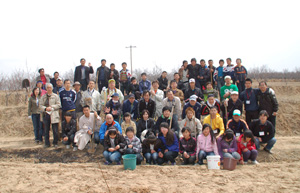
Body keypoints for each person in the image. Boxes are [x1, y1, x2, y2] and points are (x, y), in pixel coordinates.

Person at [39, 83, 61, 148]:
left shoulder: (56, 96)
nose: (49, 89)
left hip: (54, 114)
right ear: (46, 88)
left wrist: (52, 107)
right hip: (46, 115)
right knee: (46, 130)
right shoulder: (43, 97)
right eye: (48, 87)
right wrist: (45, 108)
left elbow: (59, 104)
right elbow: (40, 105)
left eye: (50, 87)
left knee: (55, 130)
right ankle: (47, 143)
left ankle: (55, 143)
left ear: (52, 88)